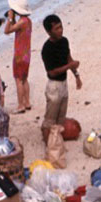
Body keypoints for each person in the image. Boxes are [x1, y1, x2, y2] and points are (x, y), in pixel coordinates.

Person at [41, 14, 82, 142]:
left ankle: (56, 143)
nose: (60, 30)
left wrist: (76, 75)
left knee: (61, 118)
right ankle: (48, 145)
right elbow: (52, 72)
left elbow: (68, 57)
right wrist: (70, 65)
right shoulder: (46, 49)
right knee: (50, 119)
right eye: (56, 29)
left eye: (61, 27)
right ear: (49, 32)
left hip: (64, 84)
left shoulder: (64, 41)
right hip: (54, 86)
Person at [3, 0, 33, 114]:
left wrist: (10, 18)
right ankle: (27, 102)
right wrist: (13, 19)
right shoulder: (28, 21)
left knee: (18, 80)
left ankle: (20, 105)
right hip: (27, 54)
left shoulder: (21, 22)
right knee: (25, 79)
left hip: (19, 55)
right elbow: (15, 29)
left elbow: (6, 31)